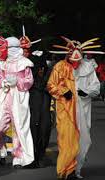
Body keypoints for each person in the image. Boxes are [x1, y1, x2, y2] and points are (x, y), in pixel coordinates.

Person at [47, 37, 101, 179]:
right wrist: (64, 91)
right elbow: (51, 85)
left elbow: (95, 87)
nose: (75, 64)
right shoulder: (59, 66)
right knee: (66, 139)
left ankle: (76, 169)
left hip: (83, 108)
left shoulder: (88, 67)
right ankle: (66, 170)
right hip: (65, 109)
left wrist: (87, 92)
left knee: (84, 140)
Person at [0, 37, 34, 168]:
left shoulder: (25, 63)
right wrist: (4, 83)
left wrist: (18, 82)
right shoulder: (3, 63)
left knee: (18, 127)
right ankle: (1, 152)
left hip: (19, 98)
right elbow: (0, 78)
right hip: (5, 97)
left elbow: (29, 81)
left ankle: (18, 157)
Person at [22, 41, 52, 168]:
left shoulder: (48, 73)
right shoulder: (28, 73)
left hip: (44, 103)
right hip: (32, 103)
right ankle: (33, 156)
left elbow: (51, 85)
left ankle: (40, 154)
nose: (40, 69)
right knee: (32, 128)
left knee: (44, 128)